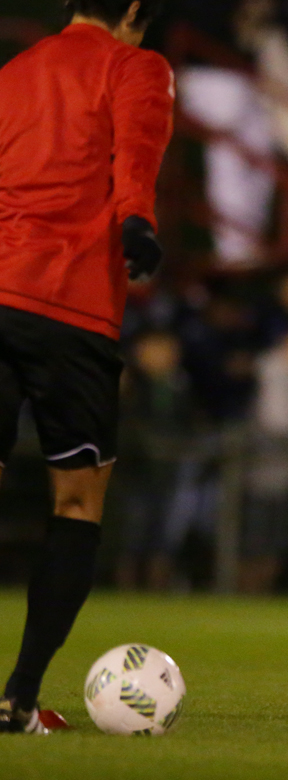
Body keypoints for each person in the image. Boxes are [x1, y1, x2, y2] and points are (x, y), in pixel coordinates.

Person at [0, 0, 174, 733]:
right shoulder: (136, 67)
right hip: (70, 307)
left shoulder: (14, 70)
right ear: (135, 10)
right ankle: (17, 699)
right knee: (75, 504)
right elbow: (136, 152)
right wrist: (138, 224)